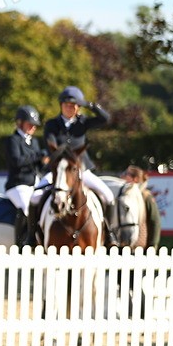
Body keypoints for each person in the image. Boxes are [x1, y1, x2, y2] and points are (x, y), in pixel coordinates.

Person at [43, 85, 117, 243]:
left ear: (78, 107)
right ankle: (31, 235)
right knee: (35, 198)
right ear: (61, 105)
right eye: (67, 105)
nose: (70, 108)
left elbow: (105, 119)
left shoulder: (82, 122)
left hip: (82, 170)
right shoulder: (51, 124)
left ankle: (109, 233)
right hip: (59, 171)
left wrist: (90, 105)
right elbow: (51, 144)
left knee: (108, 196)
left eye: (74, 105)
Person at [4, 106, 49, 247]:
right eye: (30, 124)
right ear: (20, 123)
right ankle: (20, 244)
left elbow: (37, 166)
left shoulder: (34, 141)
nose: (33, 127)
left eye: (35, 125)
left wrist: (43, 162)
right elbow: (17, 161)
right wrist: (38, 156)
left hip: (34, 184)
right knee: (25, 207)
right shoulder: (12, 140)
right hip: (18, 185)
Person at [121, 166, 162, 248]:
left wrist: (152, 245)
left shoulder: (146, 196)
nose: (122, 176)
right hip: (122, 245)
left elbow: (155, 221)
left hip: (139, 246)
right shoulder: (123, 195)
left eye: (126, 174)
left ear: (135, 179)